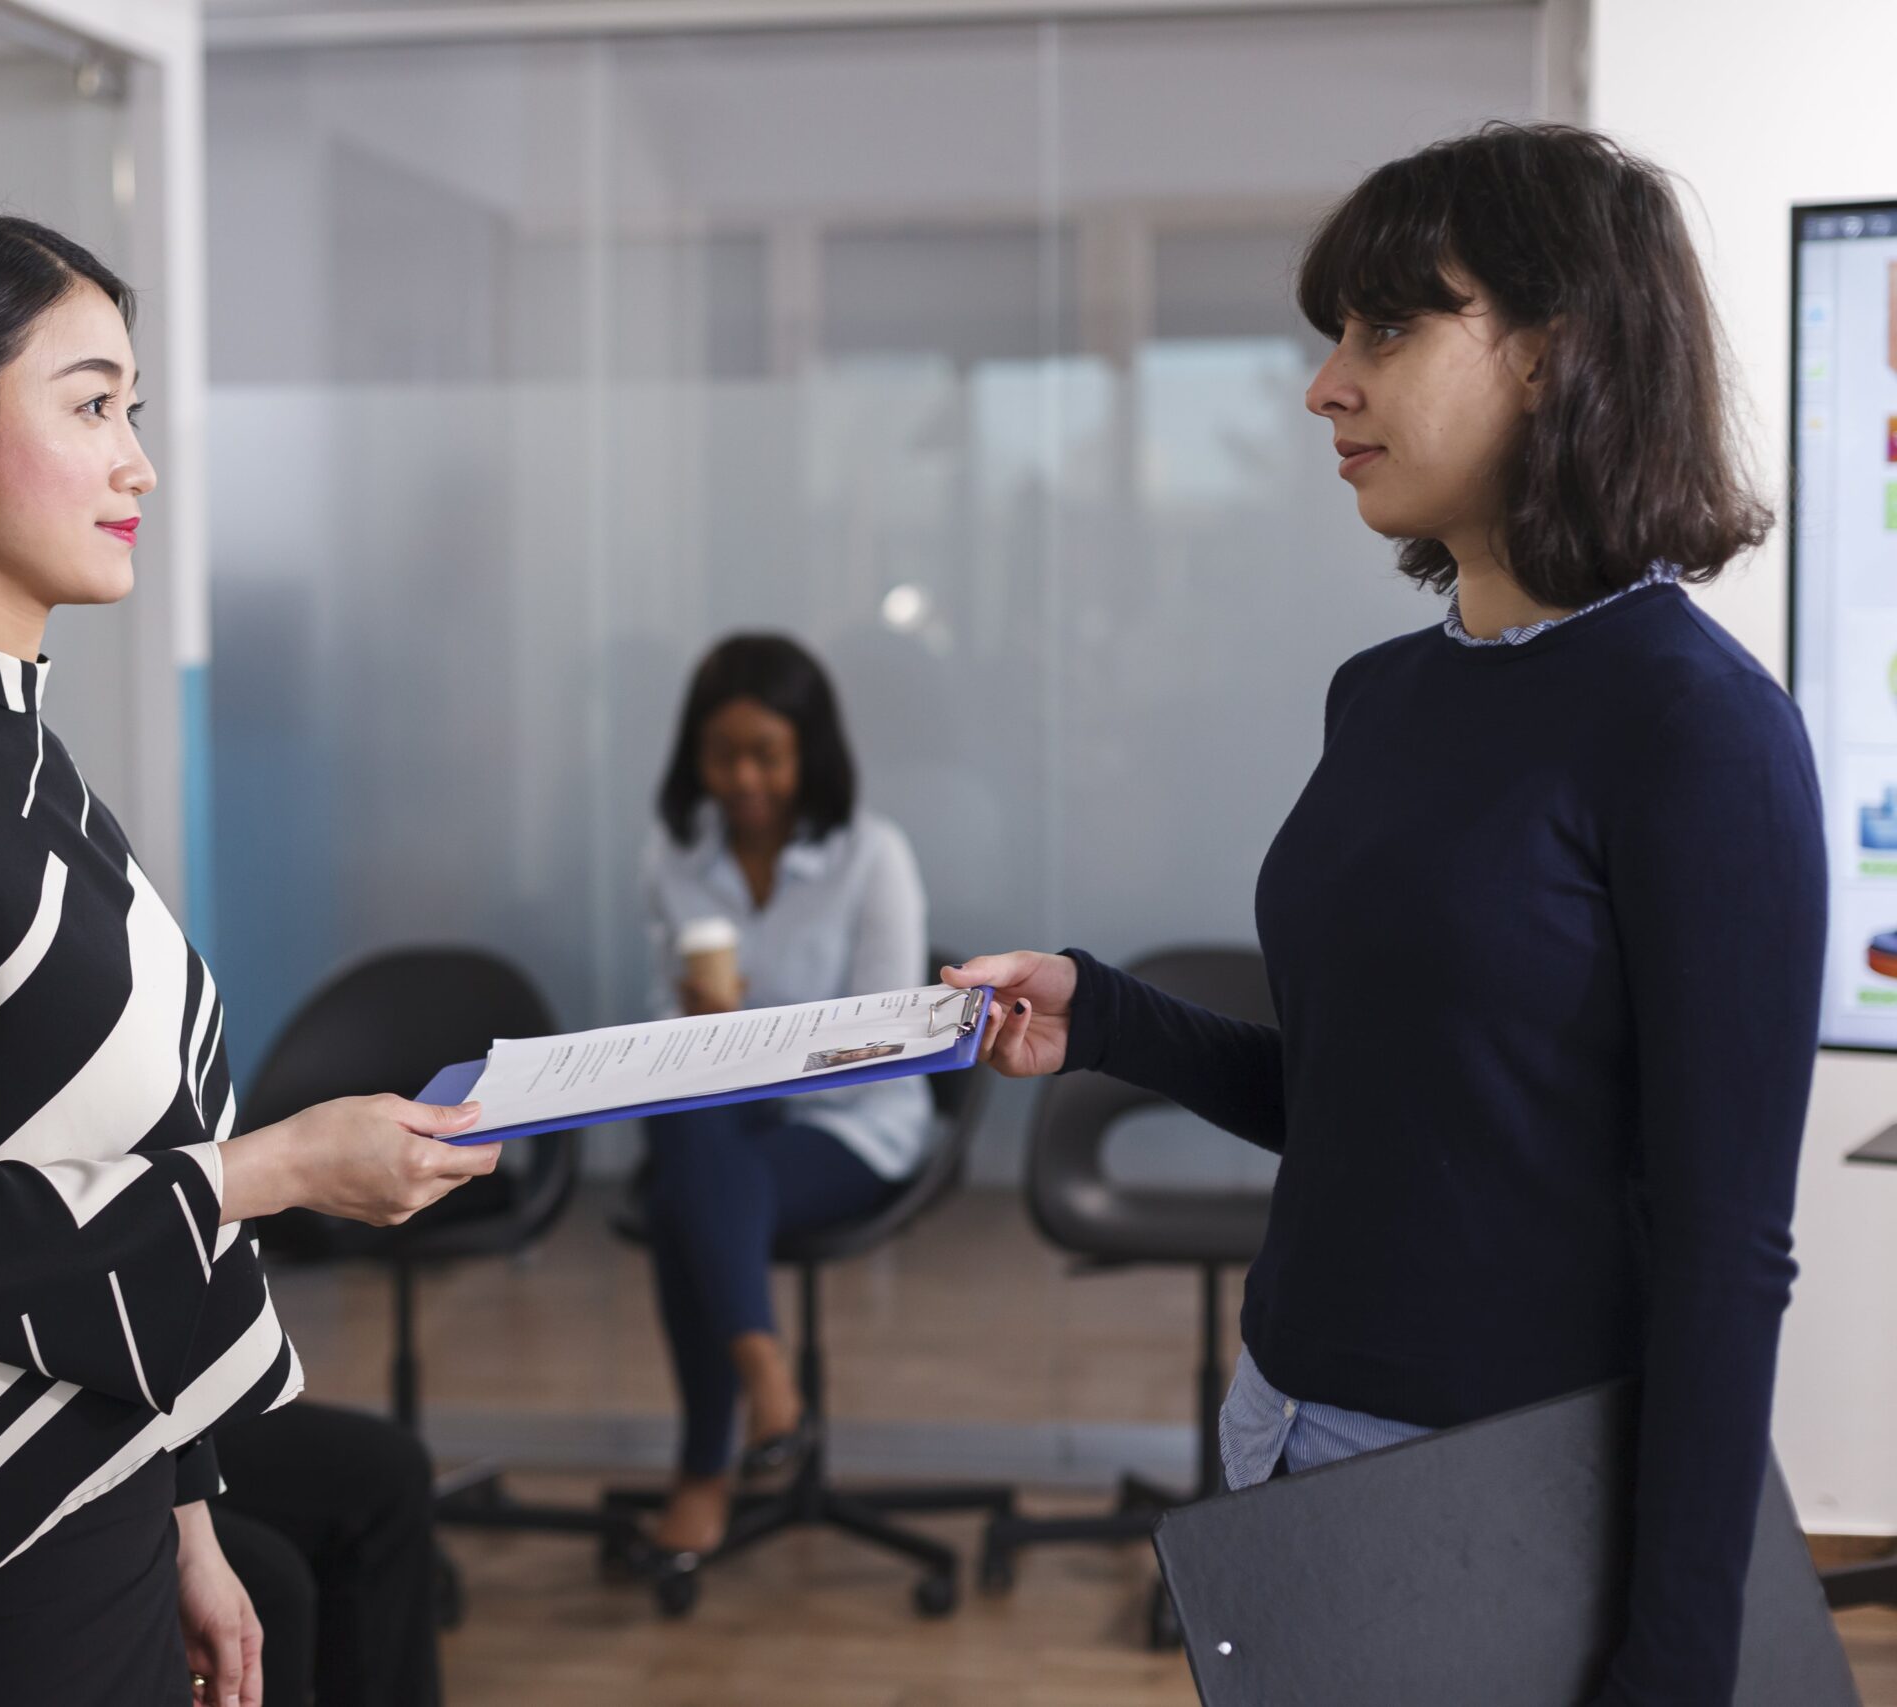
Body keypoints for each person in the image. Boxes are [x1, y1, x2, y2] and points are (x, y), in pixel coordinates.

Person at [948, 124, 1823, 1707]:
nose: (1324, 386)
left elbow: (1723, 1249)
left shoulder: (1699, 730)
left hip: (1498, 1478)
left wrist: (1679, 1654)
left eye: (1389, 328)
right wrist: (1108, 1011)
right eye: (1332, 335)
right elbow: (1377, 1101)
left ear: (1557, 353)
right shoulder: (1386, 695)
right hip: (1281, 1422)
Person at [0, 209, 500, 1707]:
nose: (139, 459)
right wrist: (272, 1168)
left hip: (86, 1517)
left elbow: (104, 1166)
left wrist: (188, 1507)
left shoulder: (17, 758)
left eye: (131, 408)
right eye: (90, 405)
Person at [635, 634, 931, 1558]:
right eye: (723, 756)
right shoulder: (673, 856)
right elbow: (657, 1026)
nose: (745, 778)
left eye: (768, 753)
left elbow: (892, 1039)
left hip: (851, 1122)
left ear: (810, 753)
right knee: (691, 1130)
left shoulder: (872, 855)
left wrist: (754, 1037)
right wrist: (694, 1019)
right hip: (717, 1112)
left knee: (689, 1187)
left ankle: (705, 1463)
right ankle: (762, 1371)